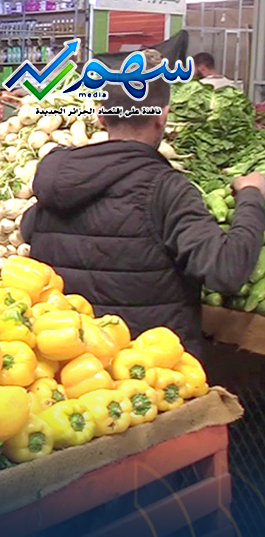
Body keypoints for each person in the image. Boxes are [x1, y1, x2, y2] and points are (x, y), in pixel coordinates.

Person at [20, 51, 265, 358]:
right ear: (163, 116)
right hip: (147, 366)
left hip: (68, 362)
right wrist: (251, 195)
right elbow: (226, 271)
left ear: (100, 115)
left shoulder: (56, 177)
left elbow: (28, 230)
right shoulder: (167, 189)